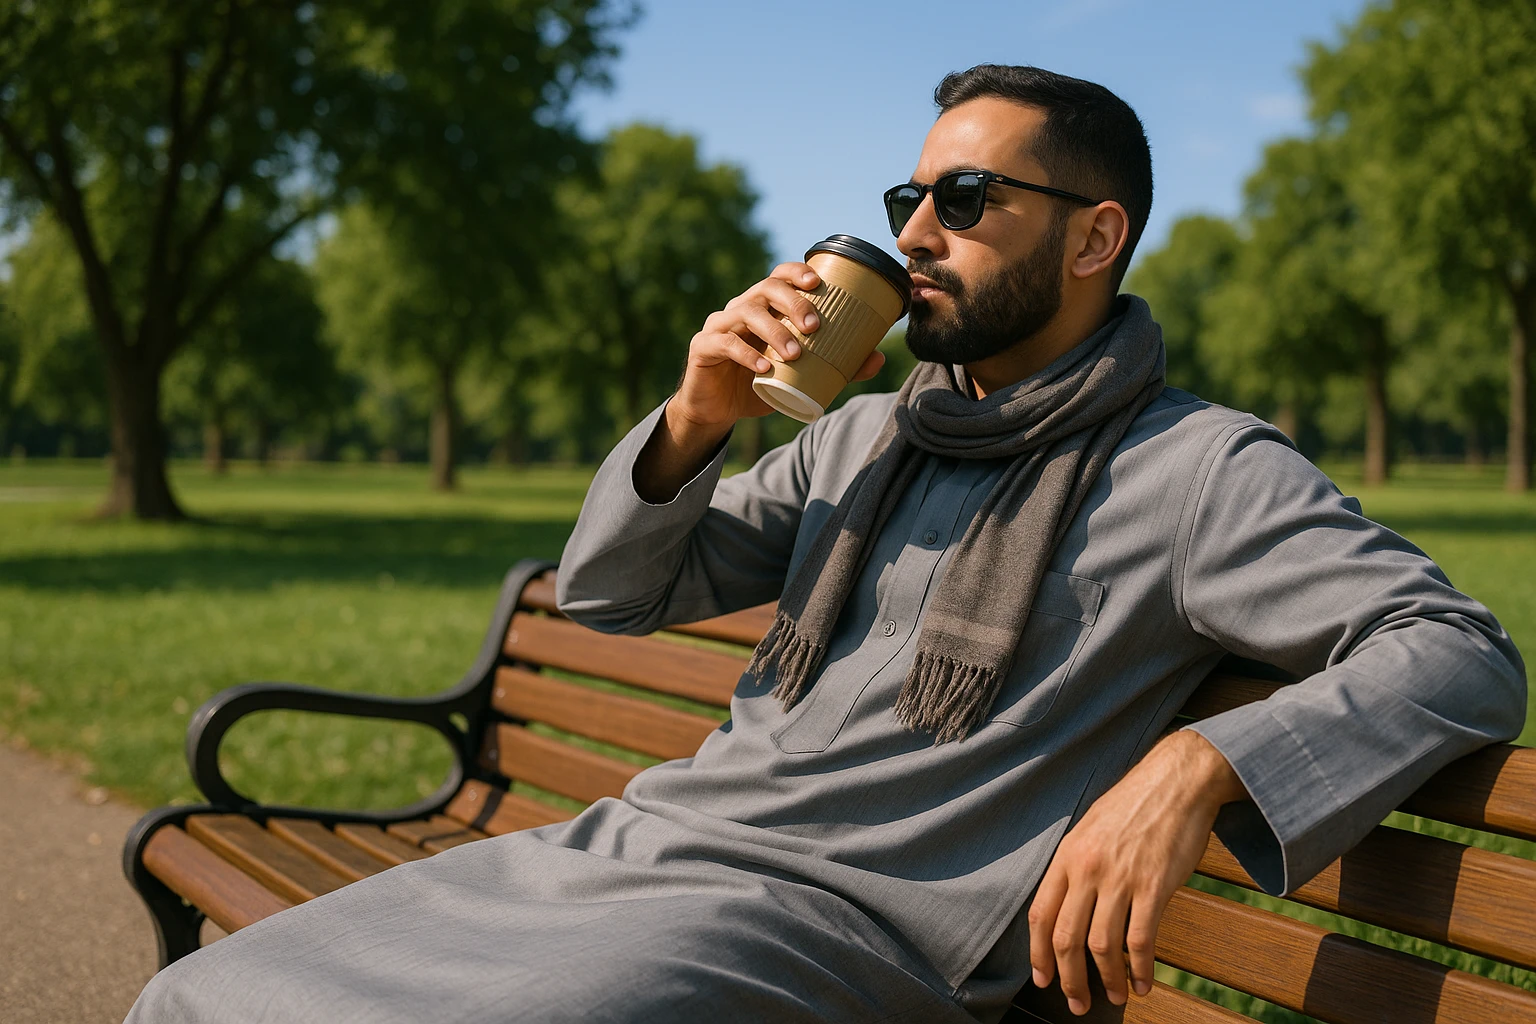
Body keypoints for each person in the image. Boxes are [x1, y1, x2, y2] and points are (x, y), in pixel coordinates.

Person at [125, 64, 1525, 1024]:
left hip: (848, 932)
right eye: (909, 197)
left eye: (967, 202)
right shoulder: (865, 438)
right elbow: (616, 593)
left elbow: (1455, 648)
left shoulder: (1198, 470)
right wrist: (700, 412)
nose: (917, 229)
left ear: (1097, 235)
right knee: (201, 997)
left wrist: (1198, 762)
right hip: (639, 856)